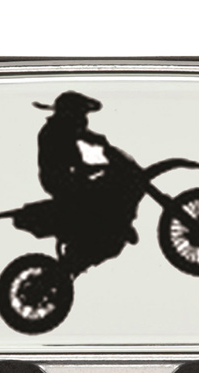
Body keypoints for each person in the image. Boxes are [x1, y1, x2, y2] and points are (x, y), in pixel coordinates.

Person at [32, 92, 139, 273]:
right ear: (70, 112)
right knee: (104, 192)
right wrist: (96, 165)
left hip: (64, 179)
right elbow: (72, 162)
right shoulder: (57, 132)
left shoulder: (63, 129)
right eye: (80, 112)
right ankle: (114, 226)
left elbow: (85, 137)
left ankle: (111, 229)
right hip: (60, 181)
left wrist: (100, 142)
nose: (83, 118)